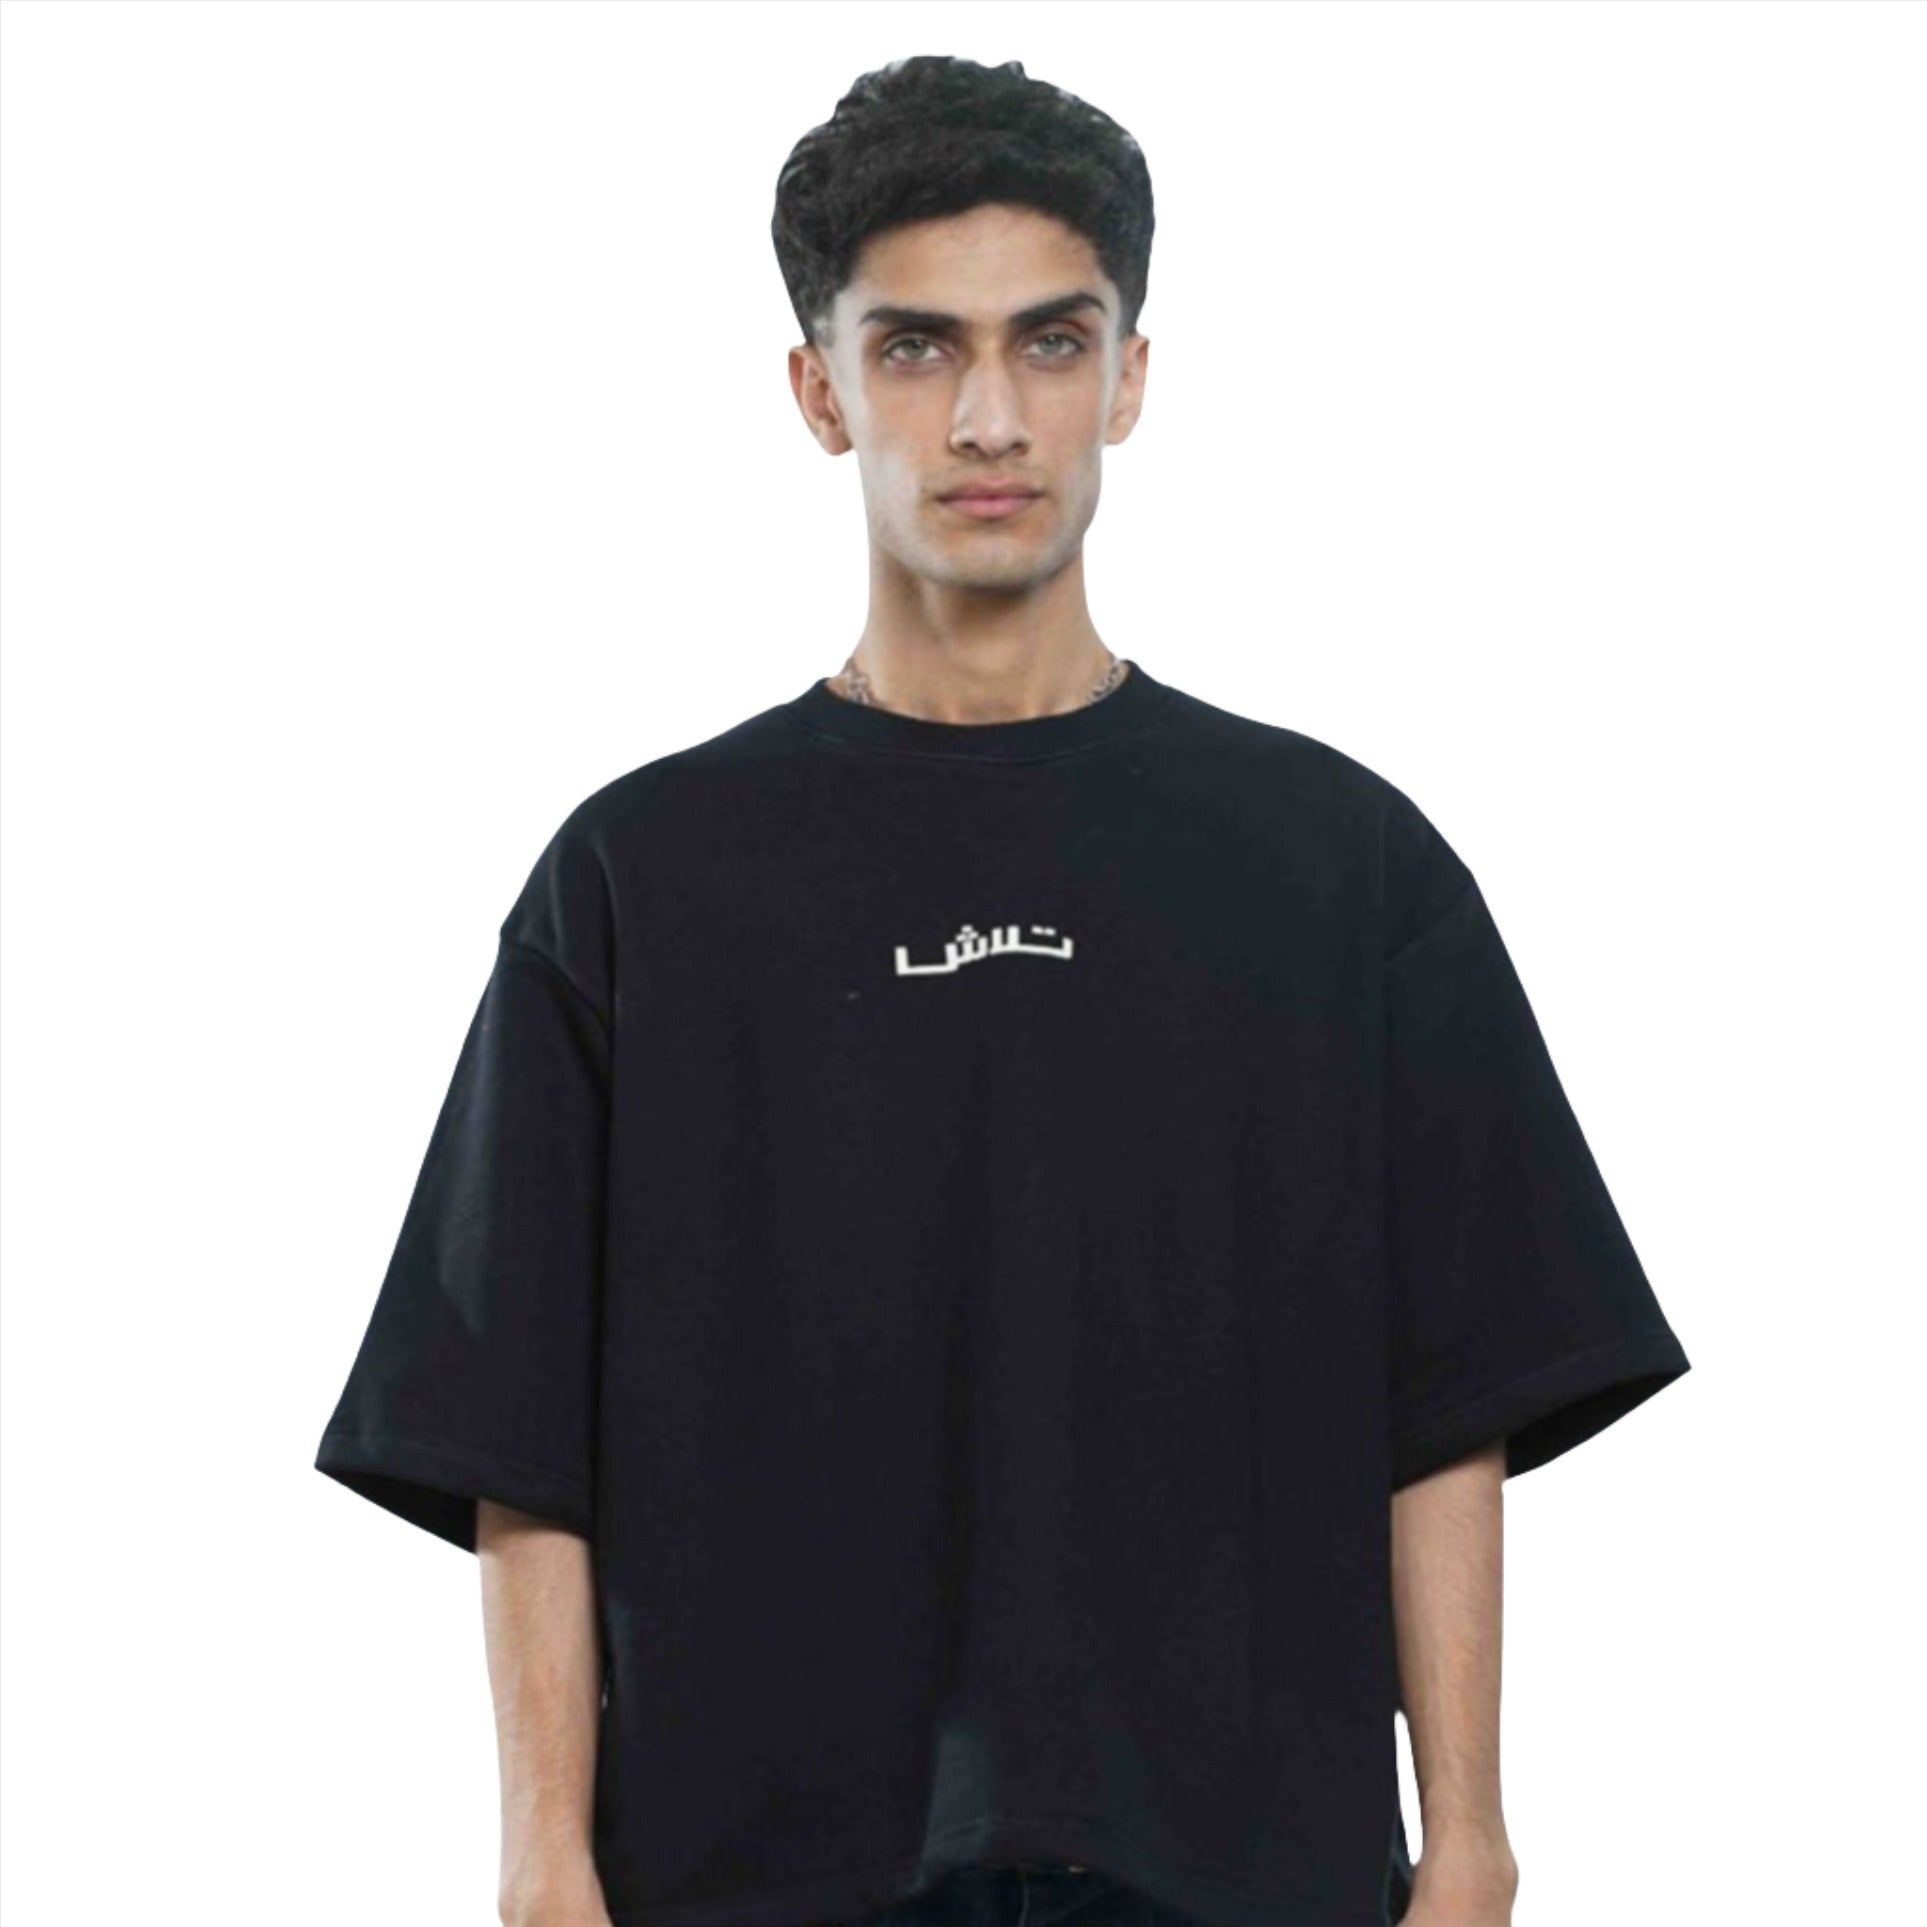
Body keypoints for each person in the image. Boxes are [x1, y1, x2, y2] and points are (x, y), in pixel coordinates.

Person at [314, 54, 1692, 1927]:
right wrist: (541, 1861)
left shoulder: (1341, 865)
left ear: (1130, 377)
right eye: (914, 348)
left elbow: (1451, 1399)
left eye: (1051, 342)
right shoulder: (643, 879)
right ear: (819, 390)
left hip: (1246, 1876)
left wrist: (1472, 1841)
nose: (987, 417)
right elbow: (513, 1435)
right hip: (755, 1876)